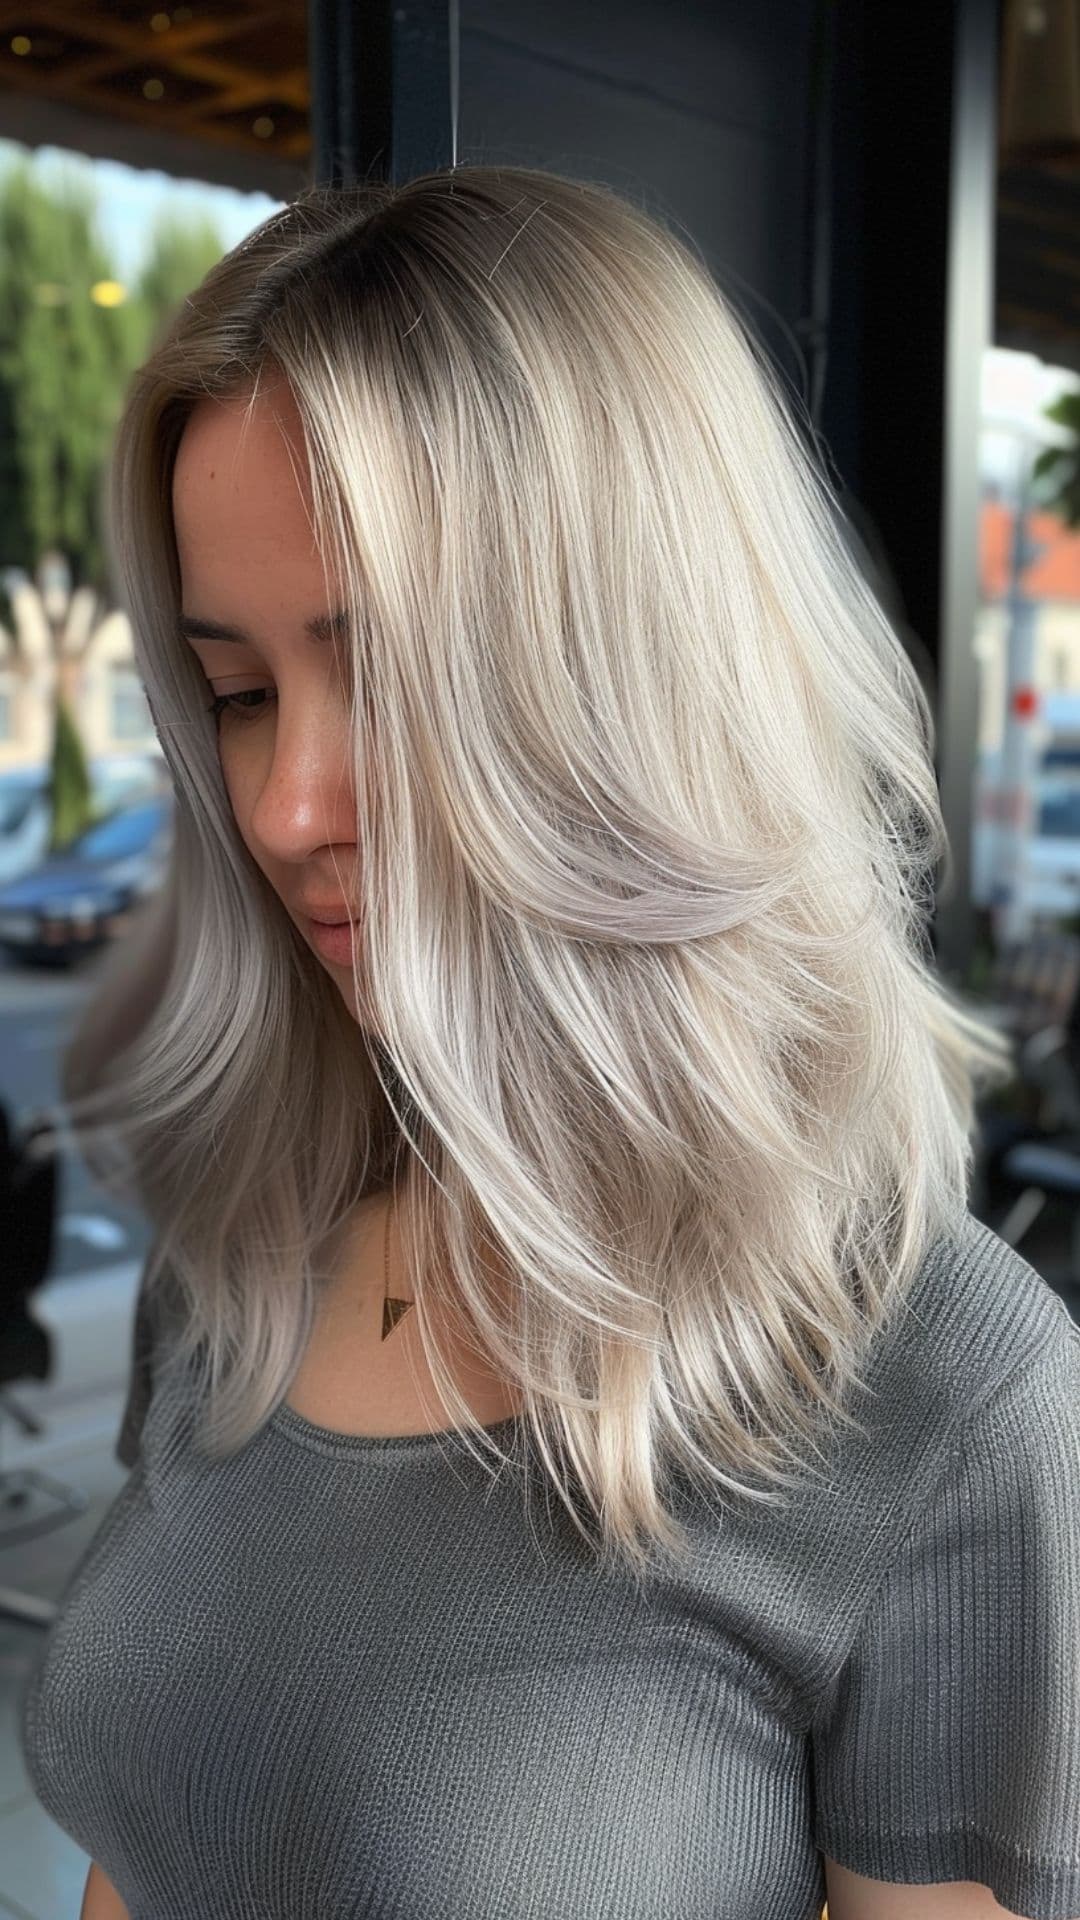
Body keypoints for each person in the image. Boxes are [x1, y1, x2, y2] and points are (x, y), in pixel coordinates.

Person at [18, 165, 1080, 1920]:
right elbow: (149, 1848)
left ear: (635, 688)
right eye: (240, 689)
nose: (285, 806)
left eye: (400, 679)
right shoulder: (237, 1260)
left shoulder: (947, 1403)